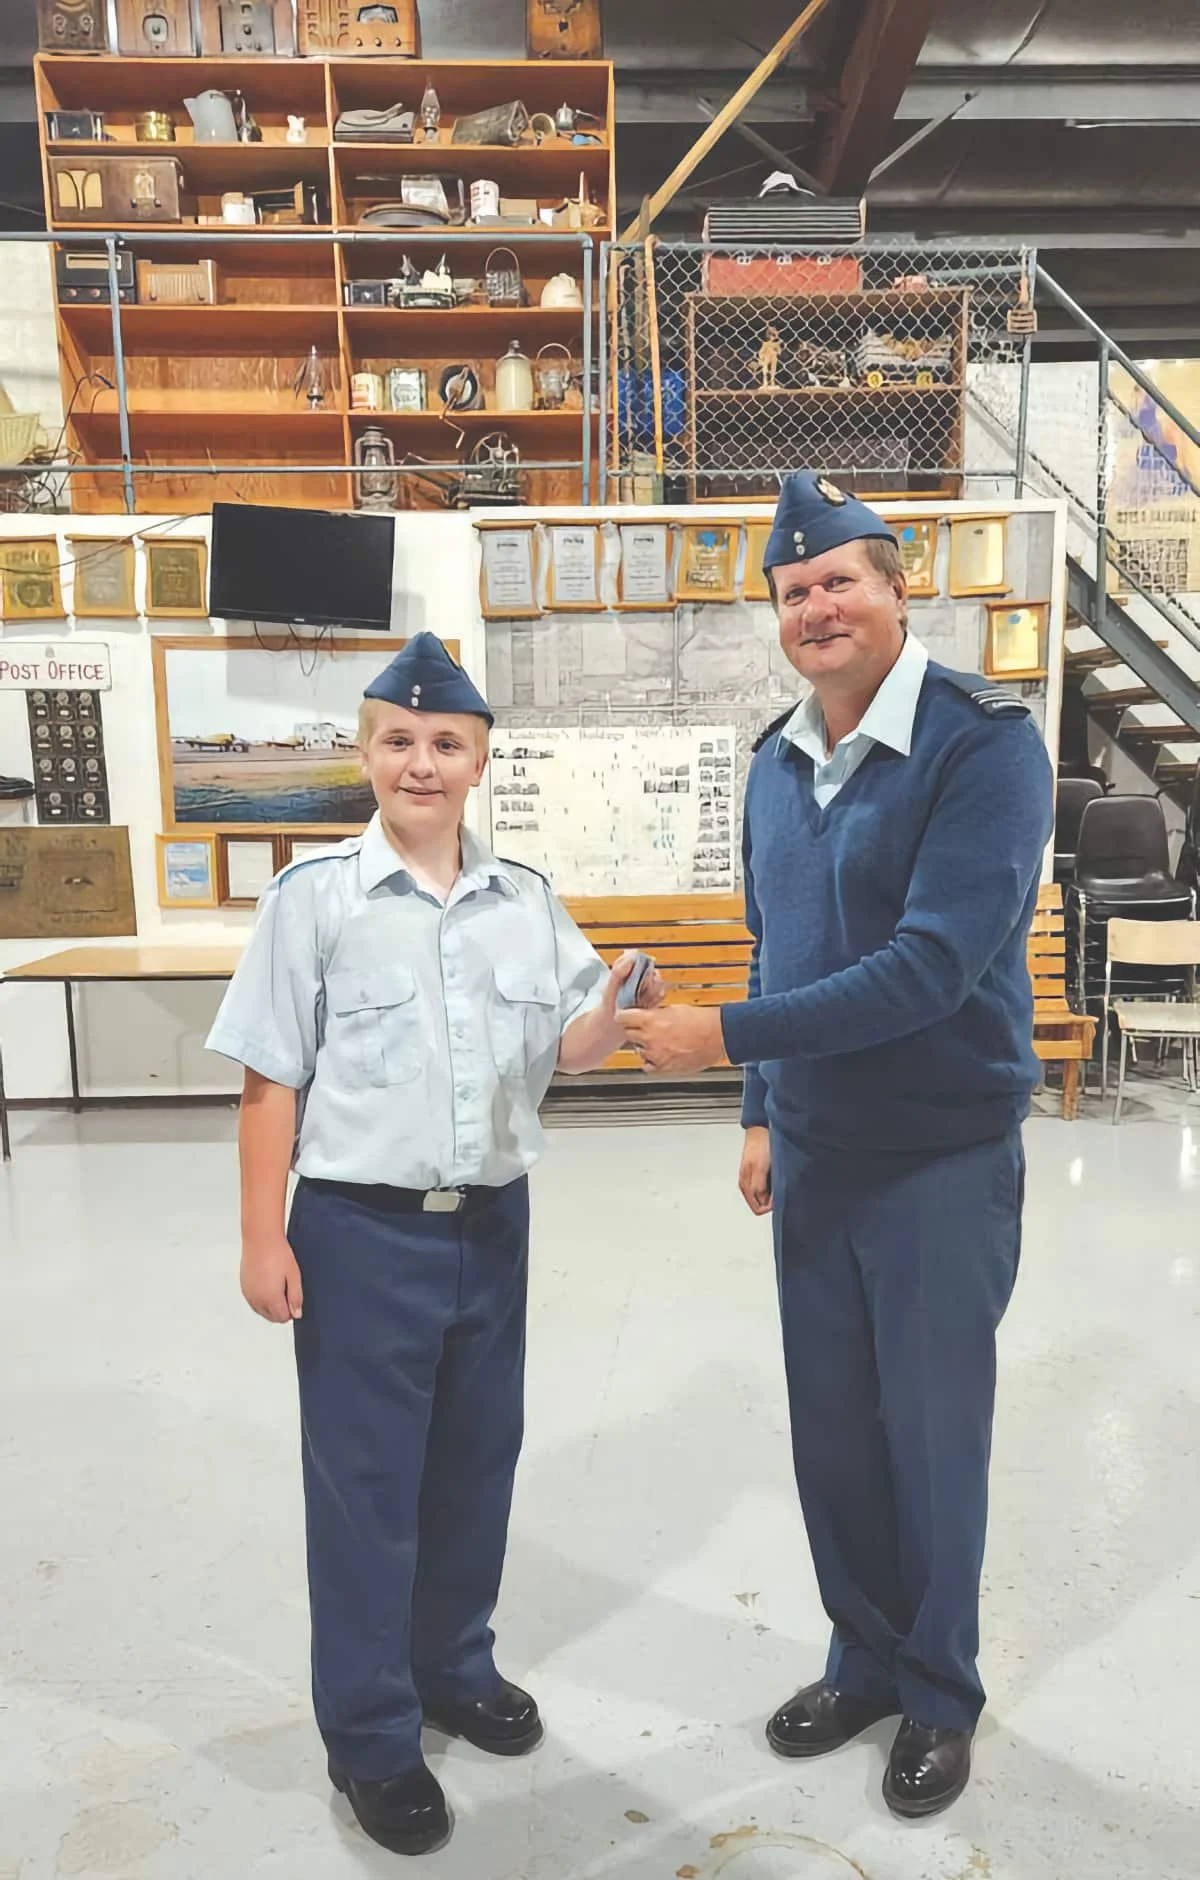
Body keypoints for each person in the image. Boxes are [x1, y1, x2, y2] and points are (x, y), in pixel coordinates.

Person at [619, 473, 1053, 1820]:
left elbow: (928, 969)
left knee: (930, 1439)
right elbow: (779, 945)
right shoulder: (775, 760)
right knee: (837, 1438)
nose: (817, 606)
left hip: (937, 1158)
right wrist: (761, 1110)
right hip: (816, 1152)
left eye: (840, 581)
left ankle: (940, 1693)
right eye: (795, 590)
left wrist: (724, 1040)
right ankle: (863, 1660)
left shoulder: (985, 747)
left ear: (896, 588)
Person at [207, 633, 662, 1858]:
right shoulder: (315, 901)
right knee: (366, 1489)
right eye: (398, 740)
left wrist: (614, 1008)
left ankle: (454, 1664)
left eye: (446, 742)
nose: (422, 761)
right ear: (365, 755)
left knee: (474, 1462)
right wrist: (261, 1237)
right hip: (359, 1234)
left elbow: (568, 1048)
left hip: (492, 1227)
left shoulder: (526, 899)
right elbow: (268, 1079)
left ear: (479, 763)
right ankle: (369, 1731)